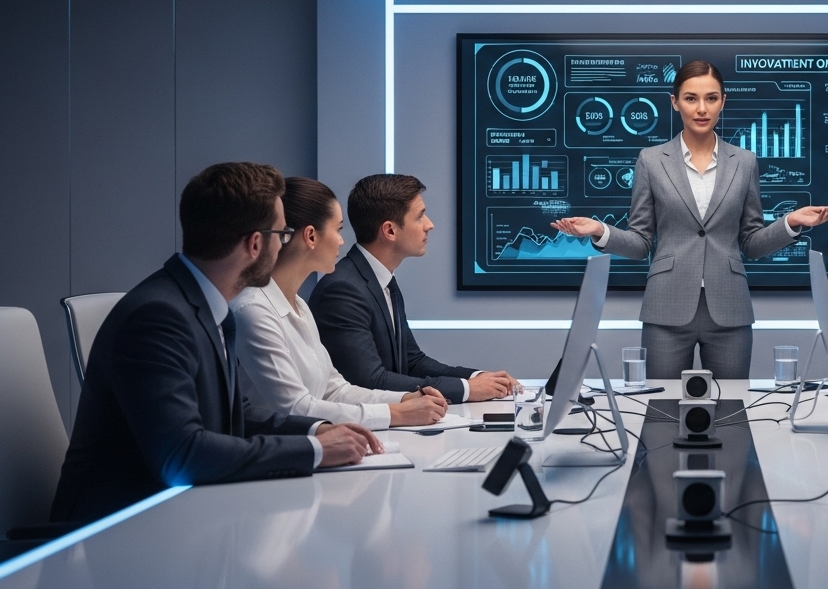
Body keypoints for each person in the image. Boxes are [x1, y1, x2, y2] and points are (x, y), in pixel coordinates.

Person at [51, 163, 381, 525]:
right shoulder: (158, 317)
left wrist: (317, 429)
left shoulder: (205, 304)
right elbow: (183, 454)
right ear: (256, 243)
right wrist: (314, 450)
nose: (284, 243)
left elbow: (236, 413)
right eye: (281, 233)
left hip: (184, 518)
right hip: (120, 534)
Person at [550, 60, 828, 379]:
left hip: (730, 308)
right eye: (691, 98)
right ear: (675, 102)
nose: (702, 108)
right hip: (666, 307)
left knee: (731, 413)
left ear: (723, 101)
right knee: (661, 413)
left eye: (711, 98)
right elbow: (640, 244)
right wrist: (599, 230)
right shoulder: (651, 161)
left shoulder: (745, 163)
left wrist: (791, 222)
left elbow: (752, 244)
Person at [232, 177, 450, 429]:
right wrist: (397, 414)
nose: (342, 241)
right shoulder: (253, 310)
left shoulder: (300, 306)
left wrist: (404, 399)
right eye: (337, 230)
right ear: (311, 236)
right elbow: (296, 408)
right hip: (284, 457)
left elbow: (334, 389)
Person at [310, 174, 519, 402]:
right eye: (419, 216)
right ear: (390, 231)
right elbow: (370, 381)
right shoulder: (342, 290)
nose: (429, 224)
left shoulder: (381, 279)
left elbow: (412, 361)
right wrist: (467, 389)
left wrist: (477, 378)